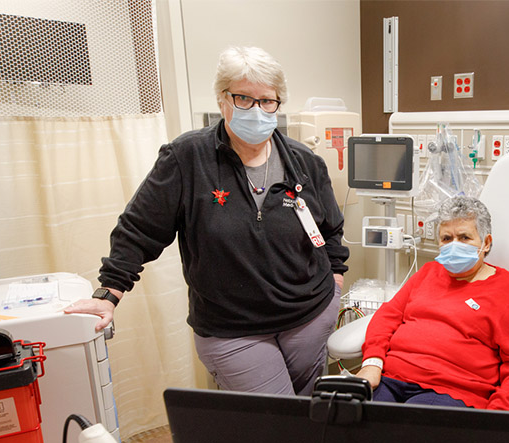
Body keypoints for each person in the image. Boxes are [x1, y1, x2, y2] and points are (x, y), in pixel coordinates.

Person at [65, 46, 348, 396]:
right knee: (276, 429)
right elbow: (139, 229)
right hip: (233, 330)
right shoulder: (187, 158)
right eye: (244, 98)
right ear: (222, 100)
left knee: (306, 419)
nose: (257, 110)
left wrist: (335, 281)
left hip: (309, 317)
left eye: (268, 101)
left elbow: (331, 228)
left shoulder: (304, 162)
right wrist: (109, 292)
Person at [354, 196, 509, 410]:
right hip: (390, 378)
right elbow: (387, 317)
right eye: (447, 238)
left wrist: (497, 416)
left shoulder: (508, 291)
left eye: (465, 237)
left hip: (450, 390)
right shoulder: (428, 273)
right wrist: (372, 363)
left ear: (486, 243)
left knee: (406, 434)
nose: (454, 246)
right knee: (349, 419)